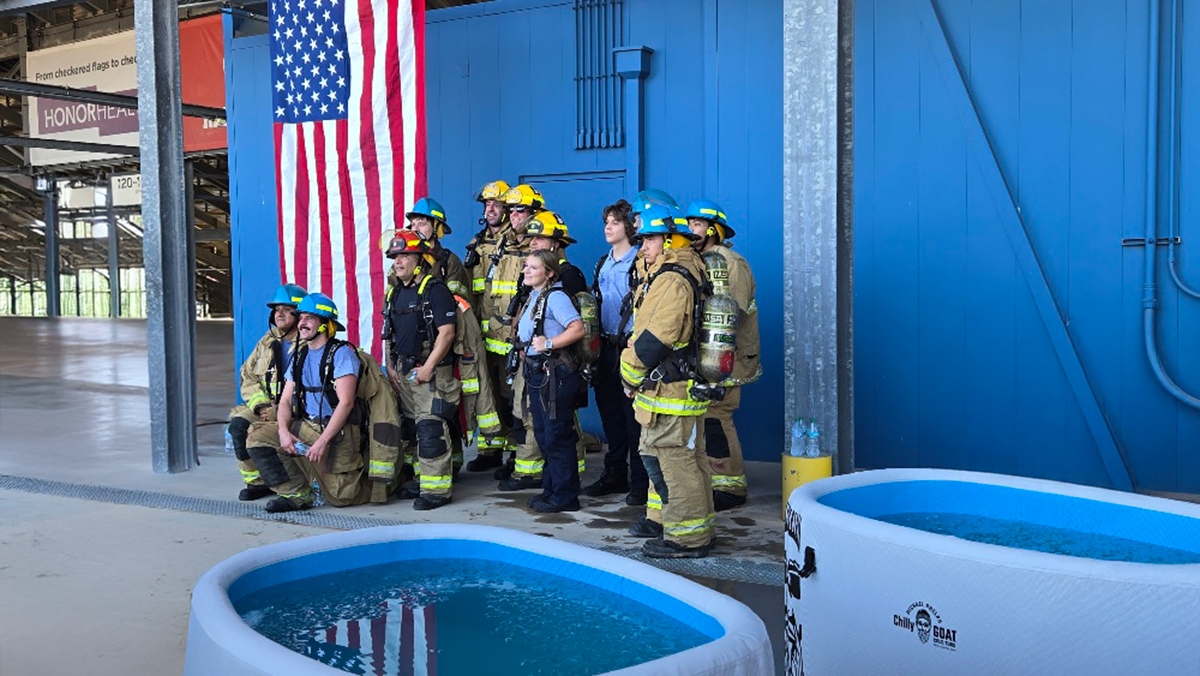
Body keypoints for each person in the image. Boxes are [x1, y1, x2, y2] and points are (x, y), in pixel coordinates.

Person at [620, 203, 715, 558]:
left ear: (670, 240)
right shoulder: (675, 271)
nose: (642, 246)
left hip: (670, 390)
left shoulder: (673, 278)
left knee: (675, 462)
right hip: (669, 388)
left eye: (649, 239)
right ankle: (696, 529)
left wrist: (627, 373)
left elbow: (656, 337)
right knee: (683, 459)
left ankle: (688, 538)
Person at [246, 293, 371, 513]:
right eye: (301, 317)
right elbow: (285, 400)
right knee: (257, 436)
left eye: (310, 318)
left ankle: (392, 480)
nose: (301, 323)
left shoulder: (341, 354)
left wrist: (322, 442)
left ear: (325, 325)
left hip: (337, 435)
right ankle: (296, 494)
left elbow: (346, 404)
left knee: (341, 497)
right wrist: (283, 431)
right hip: (307, 426)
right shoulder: (300, 355)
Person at [686, 199, 761, 511]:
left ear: (714, 229)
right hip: (706, 356)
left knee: (718, 416)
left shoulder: (730, 262)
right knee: (706, 418)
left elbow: (734, 311)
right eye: (689, 224)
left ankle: (731, 485)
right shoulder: (698, 260)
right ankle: (717, 479)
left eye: (698, 225)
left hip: (730, 355)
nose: (691, 231)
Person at [382, 231, 461, 510]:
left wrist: (427, 368)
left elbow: (447, 333)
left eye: (404, 256)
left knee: (430, 430)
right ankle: (422, 479)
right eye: (395, 257)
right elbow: (388, 334)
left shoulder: (434, 290)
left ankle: (437, 490)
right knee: (412, 430)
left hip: (431, 373)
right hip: (404, 372)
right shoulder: (394, 292)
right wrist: (390, 365)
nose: (398, 261)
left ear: (420, 259)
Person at [583, 200, 647, 506]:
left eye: (614, 222)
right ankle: (615, 473)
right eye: (606, 222)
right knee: (610, 416)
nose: (608, 227)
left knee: (633, 420)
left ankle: (640, 483)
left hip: (630, 349)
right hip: (605, 349)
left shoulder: (639, 263)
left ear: (629, 227)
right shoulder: (602, 263)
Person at [515, 250, 587, 512]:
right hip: (538, 374)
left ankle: (565, 496)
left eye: (534, 267)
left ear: (550, 273)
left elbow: (578, 328)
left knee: (557, 435)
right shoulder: (534, 297)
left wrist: (549, 343)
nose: (527, 271)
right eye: (526, 266)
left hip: (555, 375)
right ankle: (552, 489)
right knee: (545, 435)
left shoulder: (556, 297)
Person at [488, 184, 548, 489]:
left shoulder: (543, 251)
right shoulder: (502, 245)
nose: (513, 216)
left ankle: (536, 469)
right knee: (511, 404)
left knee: (532, 407)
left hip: (530, 344)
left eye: (520, 210)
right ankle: (516, 457)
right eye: (510, 210)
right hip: (501, 341)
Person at [227, 283, 306, 501]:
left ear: (300, 314)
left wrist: (281, 410)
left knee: (263, 437)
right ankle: (257, 482)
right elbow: (248, 374)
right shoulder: (268, 341)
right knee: (238, 425)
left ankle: (285, 487)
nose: (279, 313)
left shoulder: (310, 344)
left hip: (296, 411)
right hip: (265, 407)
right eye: (276, 309)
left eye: (286, 308)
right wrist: (261, 405)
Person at [463, 180, 513, 473]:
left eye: (495, 204)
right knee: (486, 392)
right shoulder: (478, 242)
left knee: (509, 394)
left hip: (506, 333)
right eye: (486, 204)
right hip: (481, 333)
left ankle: (514, 454)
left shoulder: (517, 243)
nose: (489, 209)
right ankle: (490, 448)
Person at [405, 197, 471, 298]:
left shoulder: (450, 262)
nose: (415, 229)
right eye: (413, 224)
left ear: (436, 228)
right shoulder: (403, 259)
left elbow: (457, 304)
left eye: (421, 224)